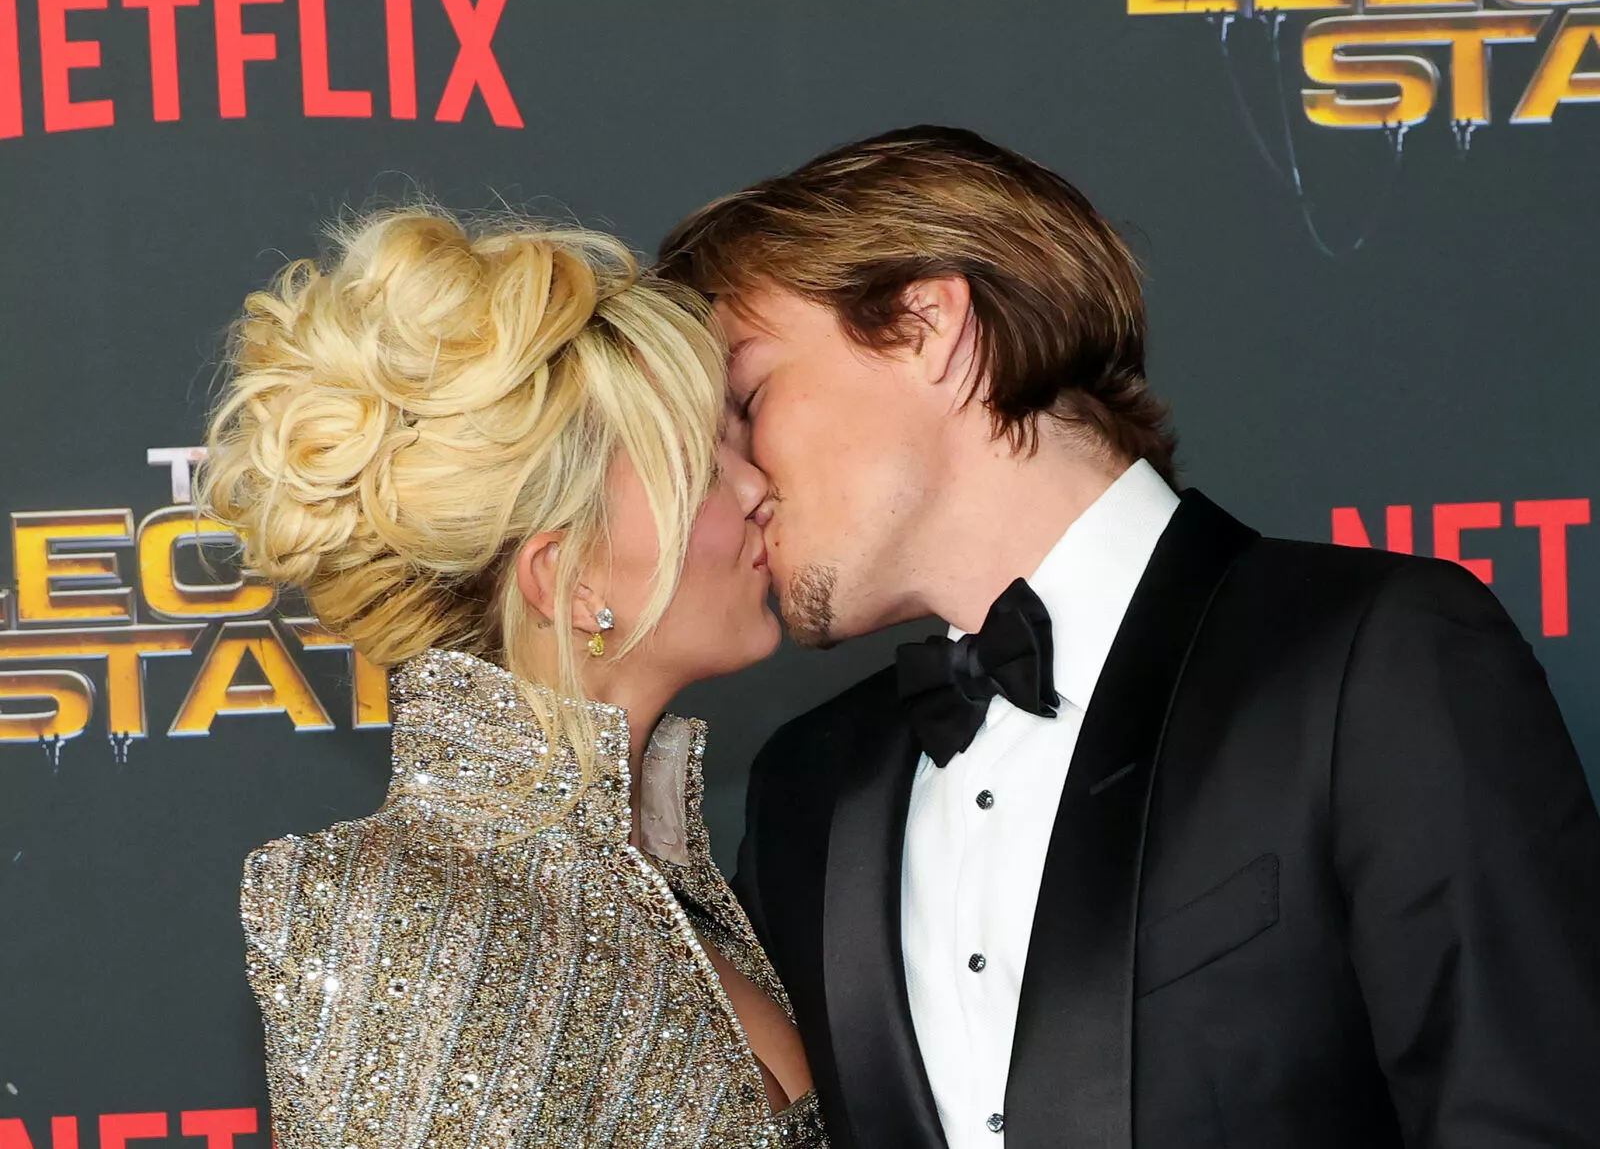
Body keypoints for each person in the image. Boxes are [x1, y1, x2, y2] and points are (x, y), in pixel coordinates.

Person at [656, 126, 1600, 1149]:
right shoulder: (808, 790)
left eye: (748, 400)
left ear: (928, 327)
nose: (735, 480)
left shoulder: (1370, 659)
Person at [201, 207, 825, 1148]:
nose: (755, 487)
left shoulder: (666, 883)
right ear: (567, 579)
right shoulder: (413, 913)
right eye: (700, 470)